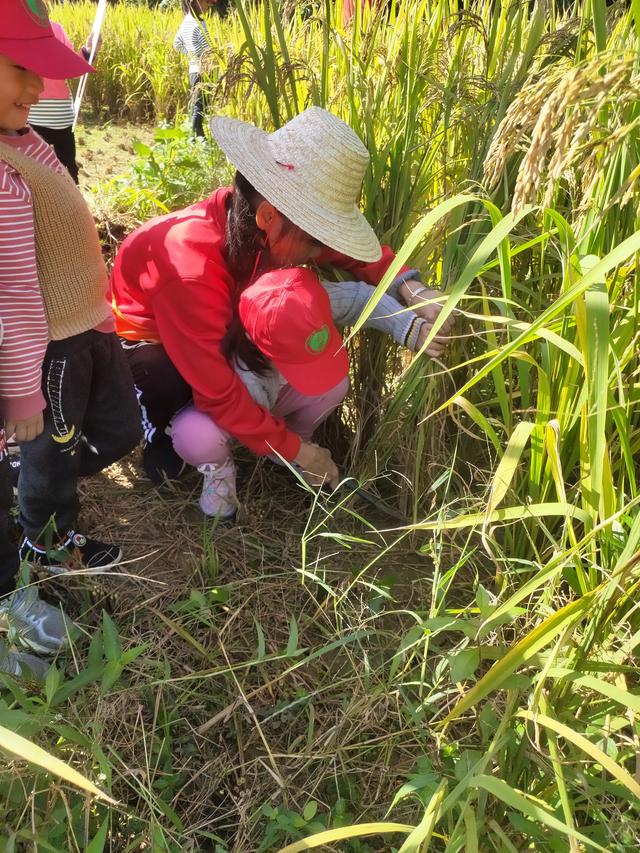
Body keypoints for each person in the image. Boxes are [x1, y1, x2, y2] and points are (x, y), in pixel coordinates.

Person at [111, 106, 452, 515]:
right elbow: (218, 391)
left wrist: (413, 289)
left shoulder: (264, 230)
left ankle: (259, 437)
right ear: (269, 216)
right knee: (170, 399)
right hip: (153, 343)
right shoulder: (191, 270)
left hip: (221, 330)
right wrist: (300, 454)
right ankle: (162, 430)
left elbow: (355, 258)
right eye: (313, 242)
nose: (317, 255)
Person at [0, 0, 142, 678]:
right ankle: (48, 539)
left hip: (92, 325)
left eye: (41, 74)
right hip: (50, 343)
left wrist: (107, 316)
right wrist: (23, 385)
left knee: (120, 430)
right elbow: (16, 290)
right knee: (51, 451)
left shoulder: (29, 141)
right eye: (20, 69)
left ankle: (37, 489)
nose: (37, 88)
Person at [172, 267, 444, 516]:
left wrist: (410, 328)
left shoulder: (307, 303)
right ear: (260, 346)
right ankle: (220, 472)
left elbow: (361, 299)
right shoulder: (243, 372)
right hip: (231, 414)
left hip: (277, 399)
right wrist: (299, 454)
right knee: (197, 436)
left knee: (335, 385)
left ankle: (297, 445)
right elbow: (251, 425)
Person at [28, 12, 95, 184]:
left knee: (57, 170)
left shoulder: (55, 28)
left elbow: (71, 64)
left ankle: (69, 207)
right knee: (56, 171)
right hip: (39, 114)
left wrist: (88, 51)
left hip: (54, 116)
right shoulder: (19, 28)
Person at [173, 0, 216, 138]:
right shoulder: (199, 24)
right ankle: (195, 136)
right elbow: (207, 50)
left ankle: (198, 135)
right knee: (199, 105)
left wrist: (191, 54)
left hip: (193, 70)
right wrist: (200, 56)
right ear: (196, 3)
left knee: (197, 104)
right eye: (207, 3)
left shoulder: (186, 22)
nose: (208, 7)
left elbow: (177, 43)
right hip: (203, 71)